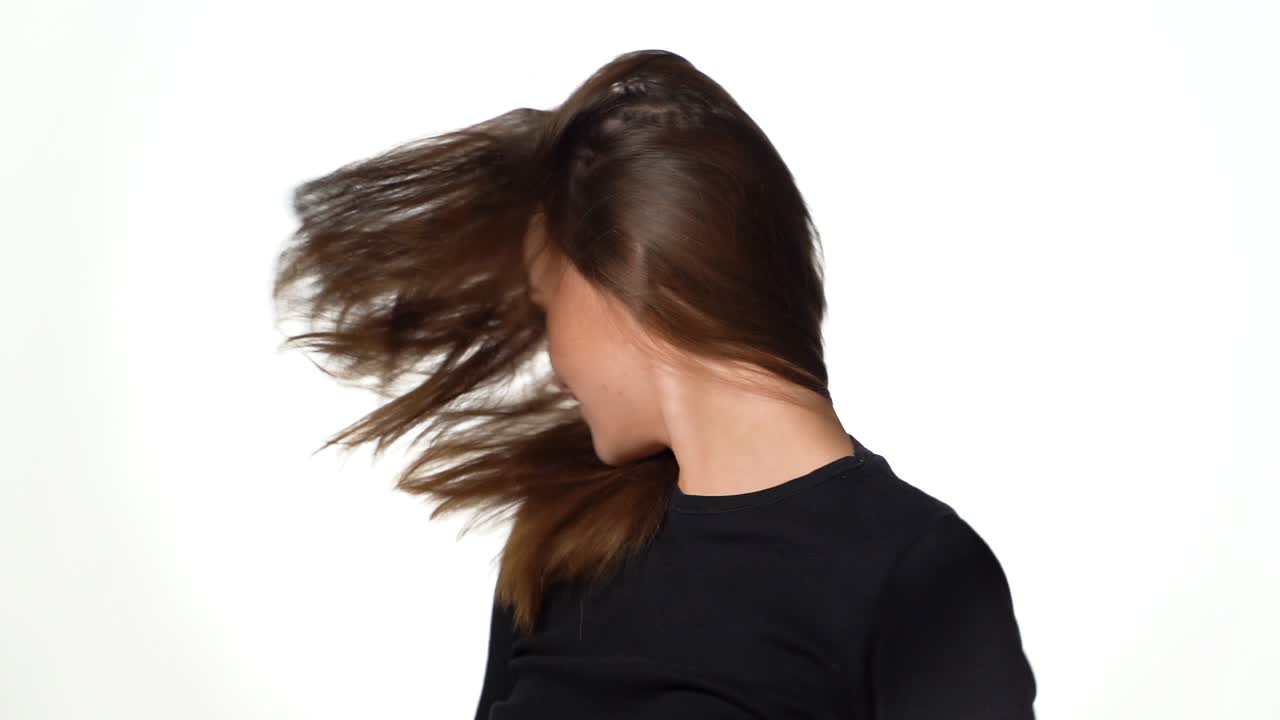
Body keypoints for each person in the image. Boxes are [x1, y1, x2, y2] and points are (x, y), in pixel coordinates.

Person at [273, 48, 1037, 719]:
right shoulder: (565, 538)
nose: (553, 357)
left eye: (548, 306)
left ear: (621, 281)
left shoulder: (920, 575)